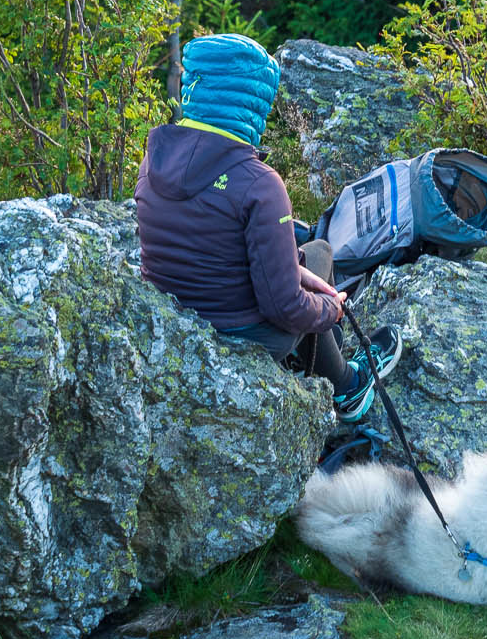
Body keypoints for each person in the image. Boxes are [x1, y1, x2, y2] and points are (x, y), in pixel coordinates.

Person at [134, 33, 399, 421]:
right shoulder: (259, 182)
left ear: (196, 84)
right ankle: (348, 387)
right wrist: (332, 310)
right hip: (243, 334)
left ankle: (322, 356)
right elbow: (285, 307)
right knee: (321, 253)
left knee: (301, 264)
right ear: (255, 97)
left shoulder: (153, 156)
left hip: (173, 319)